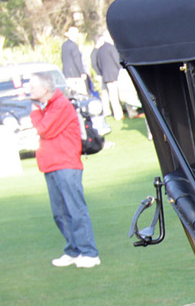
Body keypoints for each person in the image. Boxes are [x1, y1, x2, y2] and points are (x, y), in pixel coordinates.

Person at [25, 72, 99, 268]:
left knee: (75, 208)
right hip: (51, 164)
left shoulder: (61, 105)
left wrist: (34, 112)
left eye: (33, 87)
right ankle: (73, 250)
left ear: (45, 89)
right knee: (60, 212)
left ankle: (89, 252)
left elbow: (44, 129)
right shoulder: (48, 106)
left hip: (66, 164)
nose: (29, 90)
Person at [91, 29, 123, 118]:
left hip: (105, 75)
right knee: (115, 96)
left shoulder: (100, 50)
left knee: (110, 96)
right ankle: (118, 114)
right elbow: (117, 60)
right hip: (114, 75)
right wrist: (121, 68)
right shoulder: (111, 47)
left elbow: (97, 63)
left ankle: (108, 112)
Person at [60, 26, 89, 100]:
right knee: (82, 95)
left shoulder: (64, 45)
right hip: (76, 75)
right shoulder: (74, 46)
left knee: (70, 96)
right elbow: (77, 60)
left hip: (67, 74)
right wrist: (82, 72)